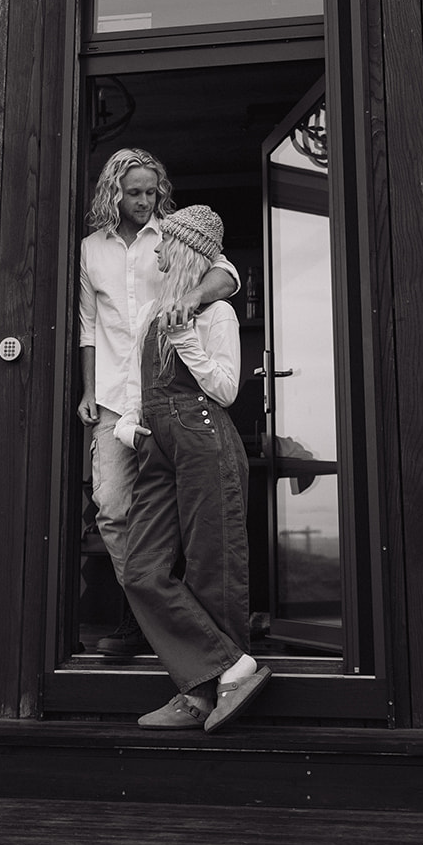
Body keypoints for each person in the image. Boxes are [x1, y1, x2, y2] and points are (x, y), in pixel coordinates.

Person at [113, 204, 270, 731]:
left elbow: (226, 389)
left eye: (163, 244)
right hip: (156, 444)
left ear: (180, 250)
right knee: (142, 571)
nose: (154, 250)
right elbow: (136, 382)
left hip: (204, 436)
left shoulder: (216, 312)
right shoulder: (151, 312)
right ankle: (231, 667)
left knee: (212, 566)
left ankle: (201, 696)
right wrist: (129, 423)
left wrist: (188, 344)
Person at [77, 149, 239, 658]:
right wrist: (87, 390)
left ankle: (155, 625)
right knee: (112, 506)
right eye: (135, 193)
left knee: (175, 515)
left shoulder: (175, 235)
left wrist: (190, 301)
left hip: (170, 388)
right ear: (114, 194)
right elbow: (88, 326)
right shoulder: (89, 249)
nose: (146, 201)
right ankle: (154, 615)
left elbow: (226, 275)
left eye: (152, 191)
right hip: (112, 394)